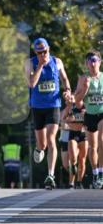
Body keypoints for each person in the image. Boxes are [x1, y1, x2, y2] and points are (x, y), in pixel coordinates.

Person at [24, 37, 71, 190]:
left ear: (49, 49)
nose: (42, 55)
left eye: (44, 51)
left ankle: (50, 175)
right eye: (39, 53)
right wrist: (40, 66)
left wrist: (67, 91)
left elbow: (64, 78)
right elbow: (31, 83)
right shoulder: (30, 63)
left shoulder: (57, 62)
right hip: (37, 107)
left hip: (53, 105)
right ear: (35, 52)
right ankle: (39, 148)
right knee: (42, 144)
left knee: (51, 139)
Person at [74, 50, 103, 188]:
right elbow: (77, 102)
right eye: (89, 61)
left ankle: (102, 174)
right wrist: (85, 89)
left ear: (100, 62)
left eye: (95, 60)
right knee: (93, 147)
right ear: (86, 64)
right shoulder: (83, 79)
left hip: (102, 113)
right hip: (90, 115)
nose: (92, 63)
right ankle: (95, 173)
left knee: (101, 141)